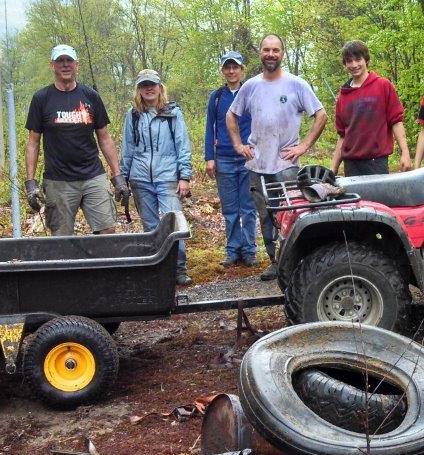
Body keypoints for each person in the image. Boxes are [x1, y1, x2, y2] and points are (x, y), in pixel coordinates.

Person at [226, 34, 327, 281]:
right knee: (266, 216)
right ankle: (275, 263)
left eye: (275, 50)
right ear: (260, 53)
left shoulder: (297, 84)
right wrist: (239, 145)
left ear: (283, 53)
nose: (271, 54)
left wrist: (303, 146)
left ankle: (296, 263)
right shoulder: (250, 86)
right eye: (266, 50)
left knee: (291, 215)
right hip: (258, 164)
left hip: (286, 164)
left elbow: (321, 115)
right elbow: (231, 116)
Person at [24, 44, 128, 236]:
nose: (65, 65)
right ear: (52, 65)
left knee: (107, 232)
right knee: (62, 240)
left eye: (69, 60)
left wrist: (118, 177)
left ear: (77, 65)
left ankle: (101, 267)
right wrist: (31, 183)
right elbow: (33, 142)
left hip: (92, 176)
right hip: (58, 181)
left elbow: (104, 138)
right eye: (60, 61)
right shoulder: (41, 98)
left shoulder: (90, 96)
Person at [119, 69, 194, 286]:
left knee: (174, 223)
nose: (149, 89)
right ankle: (157, 269)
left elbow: (183, 146)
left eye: (152, 84)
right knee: (150, 227)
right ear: (139, 90)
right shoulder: (133, 115)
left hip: (168, 176)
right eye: (144, 85)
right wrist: (123, 178)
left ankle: (179, 268)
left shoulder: (173, 113)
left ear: (160, 87)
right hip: (140, 179)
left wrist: (184, 176)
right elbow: (128, 148)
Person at [205, 50, 257, 268]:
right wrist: (209, 157)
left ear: (242, 69)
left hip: (249, 158)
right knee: (230, 209)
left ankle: (249, 251)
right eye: (227, 67)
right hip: (224, 158)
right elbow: (211, 127)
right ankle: (232, 250)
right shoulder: (216, 97)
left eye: (235, 66)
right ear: (222, 70)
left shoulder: (252, 93)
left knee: (248, 208)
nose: (231, 71)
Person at [329, 40, 411, 176]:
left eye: (358, 59)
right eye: (349, 61)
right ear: (345, 64)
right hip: (350, 164)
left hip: (376, 162)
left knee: (377, 198)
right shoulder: (343, 96)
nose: (354, 65)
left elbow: (396, 121)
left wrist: (405, 152)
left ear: (366, 60)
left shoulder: (383, 85)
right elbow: (343, 135)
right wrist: (333, 168)